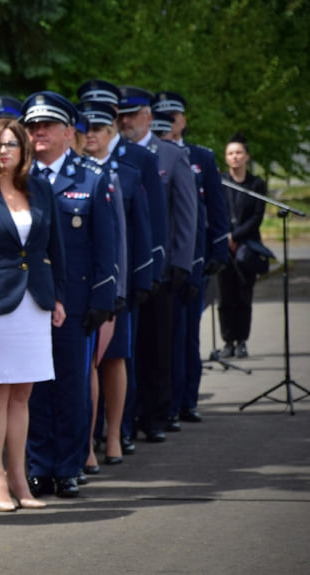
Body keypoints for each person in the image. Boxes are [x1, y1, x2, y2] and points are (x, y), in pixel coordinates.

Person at [0, 118, 66, 511]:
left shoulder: (39, 189)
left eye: (12, 144)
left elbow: (53, 247)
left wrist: (57, 297)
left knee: (23, 394)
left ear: (24, 150)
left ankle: (20, 478)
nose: (4, 151)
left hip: (34, 301)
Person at [22, 92, 116, 499]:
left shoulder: (91, 178)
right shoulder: (15, 179)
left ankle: (69, 466)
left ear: (67, 132)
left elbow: (106, 247)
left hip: (75, 303)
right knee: (33, 389)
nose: (38, 132)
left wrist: (102, 300)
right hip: (25, 302)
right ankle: (38, 466)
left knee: (71, 388)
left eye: (46, 126)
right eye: (32, 126)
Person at [78, 79, 166, 457]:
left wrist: (148, 273)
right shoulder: (74, 171)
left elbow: (148, 227)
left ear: (113, 126)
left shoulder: (132, 167)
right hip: (82, 280)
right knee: (86, 364)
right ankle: (86, 438)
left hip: (120, 279)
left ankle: (116, 433)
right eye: (87, 128)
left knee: (115, 359)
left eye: (99, 127)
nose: (92, 134)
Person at [118, 85, 197, 444]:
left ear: (148, 116)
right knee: (126, 350)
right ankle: (125, 417)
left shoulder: (167, 154)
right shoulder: (113, 153)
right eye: (121, 115)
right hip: (125, 267)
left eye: (132, 115)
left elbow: (184, 213)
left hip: (160, 267)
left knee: (157, 346)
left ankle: (155, 415)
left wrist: (182, 261)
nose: (125, 121)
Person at [152, 91, 230, 425]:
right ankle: (166, 404)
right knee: (166, 336)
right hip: (164, 262)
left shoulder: (202, 157)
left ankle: (188, 400)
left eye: (175, 115)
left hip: (194, 261)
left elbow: (216, 208)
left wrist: (218, 250)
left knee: (188, 334)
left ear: (183, 120)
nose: (170, 121)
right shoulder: (151, 155)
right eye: (163, 116)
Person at [216, 133, 267, 358]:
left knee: (244, 295)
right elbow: (216, 212)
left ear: (247, 156)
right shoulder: (220, 181)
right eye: (230, 153)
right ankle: (227, 341)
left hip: (248, 246)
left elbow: (256, 217)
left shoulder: (256, 184)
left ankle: (242, 340)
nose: (234, 157)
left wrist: (236, 236)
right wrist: (226, 237)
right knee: (225, 297)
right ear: (226, 158)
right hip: (224, 246)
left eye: (238, 153)